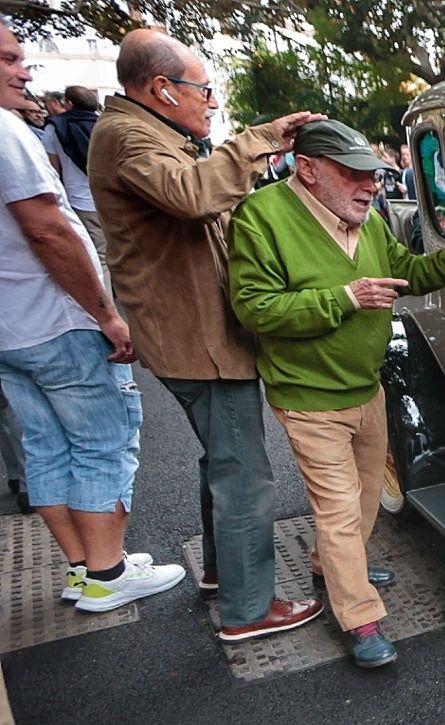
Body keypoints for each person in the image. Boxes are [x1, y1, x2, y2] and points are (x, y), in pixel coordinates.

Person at [228, 120, 445, 668]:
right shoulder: (261, 217)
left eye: (373, 175)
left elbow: (404, 271)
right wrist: (344, 298)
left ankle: (333, 564)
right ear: (307, 170)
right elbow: (254, 308)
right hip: (309, 397)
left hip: (366, 386)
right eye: (352, 174)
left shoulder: (369, 220)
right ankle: (359, 616)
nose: (370, 185)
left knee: (363, 496)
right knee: (338, 510)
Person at [87, 27, 328, 640]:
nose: (212, 101)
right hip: (197, 342)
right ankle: (250, 610)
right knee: (245, 474)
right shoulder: (128, 138)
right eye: (205, 89)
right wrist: (265, 139)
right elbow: (193, 197)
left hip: (194, 334)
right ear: (163, 89)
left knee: (224, 463)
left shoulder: (149, 134)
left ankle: (228, 575)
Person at [1, 18, 187, 613]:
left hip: (9, 328)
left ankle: (84, 569)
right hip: (54, 319)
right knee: (103, 442)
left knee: (48, 448)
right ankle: (106, 573)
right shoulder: (5, 130)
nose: (24, 71)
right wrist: (107, 313)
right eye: (7, 59)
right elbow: (48, 230)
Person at [37, 87, 105, 266]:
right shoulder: (105, 124)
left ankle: (106, 293)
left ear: (69, 103)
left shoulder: (55, 128)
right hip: (110, 197)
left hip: (80, 199)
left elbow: (53, 168)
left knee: (99, 255)